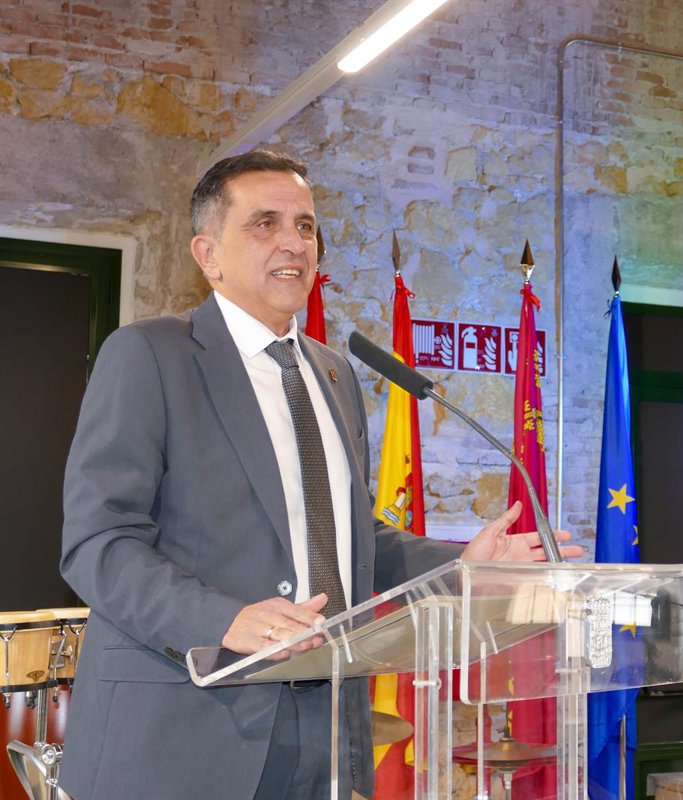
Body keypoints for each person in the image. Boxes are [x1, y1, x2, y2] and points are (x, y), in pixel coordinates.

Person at [58, 149, 581, 800]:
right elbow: (98, 543)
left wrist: (462, 564)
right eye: (265, 223)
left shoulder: (333, 375)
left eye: (305, 226)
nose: (294, 243)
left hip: (323, 728)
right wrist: (224, 619)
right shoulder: (150, 357)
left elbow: (352, 539)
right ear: (208, 254)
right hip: (183, 734)